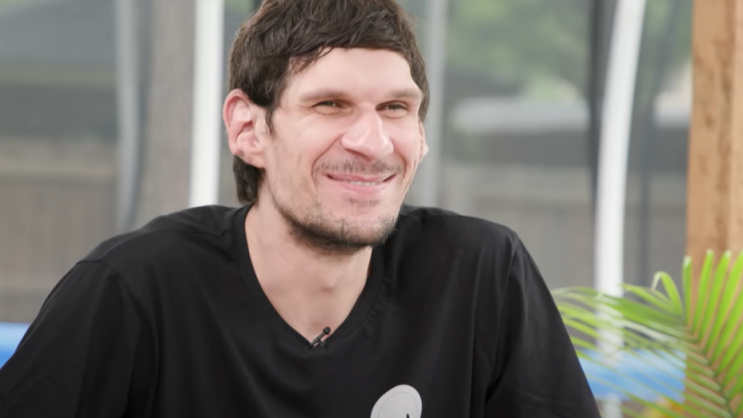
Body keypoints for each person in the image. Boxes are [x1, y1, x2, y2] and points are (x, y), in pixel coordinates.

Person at [0, 0, 600, 416]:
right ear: (248, 129)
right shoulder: (133, 290)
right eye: (330, 105)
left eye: (395, 108)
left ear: (420, 134)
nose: (373, 142)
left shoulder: (480, 275)